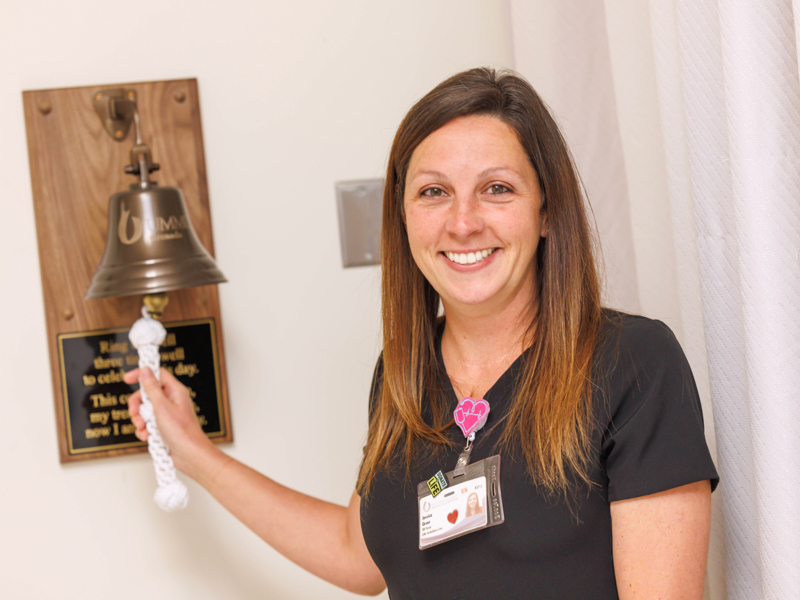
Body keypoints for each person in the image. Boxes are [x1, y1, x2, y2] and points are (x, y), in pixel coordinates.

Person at [124, 67, 718, 599]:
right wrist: (194, 454)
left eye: (497, 188)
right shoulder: (404, 373)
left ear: (546, 212)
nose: (463, 222)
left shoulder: (632, 365)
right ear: (403, 217)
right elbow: (357, 558)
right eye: (434, 192)